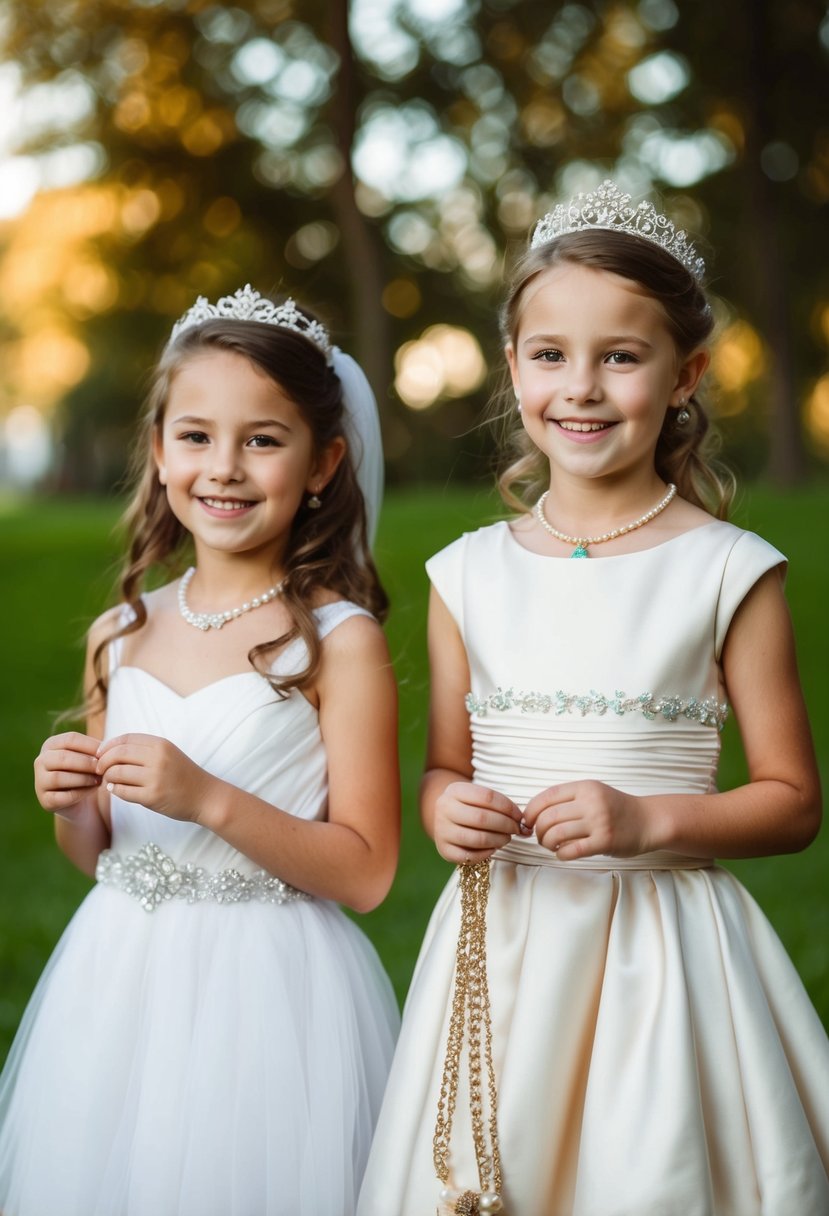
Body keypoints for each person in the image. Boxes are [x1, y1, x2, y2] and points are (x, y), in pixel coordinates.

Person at [357, 180, 829, 1216]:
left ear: (684, 375)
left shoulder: (727, 570)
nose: (580, 386)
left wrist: (642, 817)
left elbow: (793, 799)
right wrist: (447, 809)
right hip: (504, 944)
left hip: (664, 954)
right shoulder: (466, 574)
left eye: (619, 356)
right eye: (549, 355)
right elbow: (442, 768)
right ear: (513, 366)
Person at [0, 286, 401, 1216]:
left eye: (262, 439)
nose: (223, 468)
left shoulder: (339, 643)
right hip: (116, 980)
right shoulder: (121, 632)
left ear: (323, 462)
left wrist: (212, 799)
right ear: (159, 450)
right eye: (195, 436)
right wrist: (73, 805)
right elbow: (100, 854)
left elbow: (370, 871)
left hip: (269, 995)